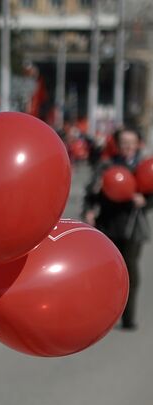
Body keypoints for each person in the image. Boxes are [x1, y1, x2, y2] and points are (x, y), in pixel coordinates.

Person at [83, 126, 148, 330]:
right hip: (108, 225)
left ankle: (128, 318)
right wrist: (90, 209)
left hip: (132, 227)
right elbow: (90, 194)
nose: (128, 146)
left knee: (130, 272)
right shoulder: (107, 166)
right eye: (124, 143)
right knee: (105, 273)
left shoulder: (143, 167)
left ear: (138, 144)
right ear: (117, 145)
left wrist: (144, 200)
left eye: (132, 143)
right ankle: (102, 316)